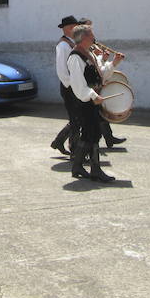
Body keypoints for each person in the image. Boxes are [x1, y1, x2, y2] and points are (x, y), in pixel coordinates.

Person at [67, 24, 123, 182]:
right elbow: (78, 85)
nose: (94, 37)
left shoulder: (88, 53)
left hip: (92, 100)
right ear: (84, 38)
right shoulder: (76, 57)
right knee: (91, 133)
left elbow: (100, 75)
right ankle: (94, 169)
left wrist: (114, 63)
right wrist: (92, 95)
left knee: (91, 134)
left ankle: (79, 167)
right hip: (84, 102)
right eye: (91, 34)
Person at [78, 17, 127, 148]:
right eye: (90, 30)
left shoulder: (91, 51)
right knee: (81, 124)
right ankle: (71, 149)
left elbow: (99, 70)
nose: (93, 34)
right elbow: (82, 77)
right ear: (83, 34)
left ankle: (104, 144)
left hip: (94, 90)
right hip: (86, 93)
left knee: (96, 123)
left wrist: (109, 60)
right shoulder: (79, 53)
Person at [50, 15, 81, 156]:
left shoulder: (72, 43)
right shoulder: (63, 45)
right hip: (69, 87)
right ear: (67, 29)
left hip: (74, 86)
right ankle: (74, 151)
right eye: (73, 27)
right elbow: (62, 71)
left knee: (76, 119)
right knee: (76, 120)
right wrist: (72, 86)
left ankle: (59, 142)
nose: (75, 29)